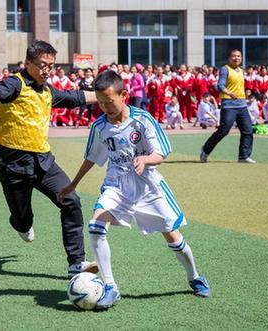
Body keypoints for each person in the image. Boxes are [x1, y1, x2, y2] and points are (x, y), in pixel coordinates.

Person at [58, 70, 211, 310]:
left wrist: (146, 159)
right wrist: (73, 184)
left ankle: (194, 276)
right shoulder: (99, 126)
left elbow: (162, 151)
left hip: (148, 186)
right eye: (100, 103)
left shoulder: (143, 119)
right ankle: (110, 287)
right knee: (96, 225)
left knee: (172, 235)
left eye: (109, 102)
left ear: (125, 95)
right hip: (116, 185)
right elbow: (90, 157)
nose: (105, 107)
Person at [0, 40, 98, 278]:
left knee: (71, 200)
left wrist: (108, 94)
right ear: (28, 63)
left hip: (43, 162)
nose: (46, 70)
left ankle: (76, 264)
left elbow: (76, 97)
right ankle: (21, 223)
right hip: (13, 165)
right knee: (23, 221)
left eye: (50, 65)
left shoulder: (48, 90)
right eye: (42, 65)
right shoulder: (15, 84)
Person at [200, 49, 256, 164]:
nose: (237, 58)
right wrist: (230, 93)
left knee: (248, 131)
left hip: (242, 105)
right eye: (234, 56)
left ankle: (243, 156)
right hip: (229, 105)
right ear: (229, 58)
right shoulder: (225, 69)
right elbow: (220, 85)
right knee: (223, 131)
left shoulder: (241, 70)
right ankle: (205, 150)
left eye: (239, 56)